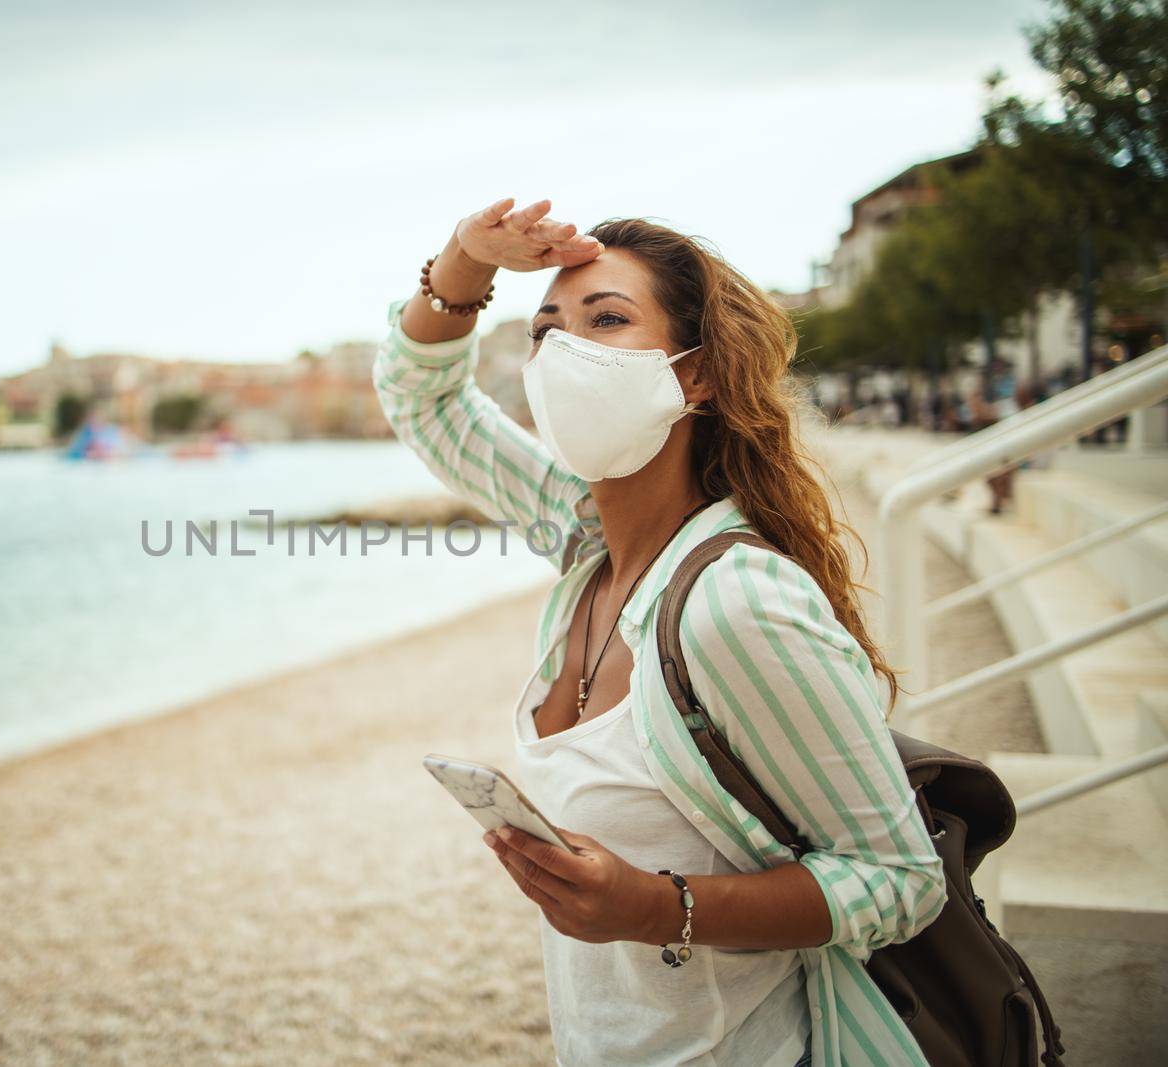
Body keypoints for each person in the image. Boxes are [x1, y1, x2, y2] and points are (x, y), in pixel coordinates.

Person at [373, 199, 947, 1067]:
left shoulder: (737, 603)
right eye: (546, 330)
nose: (565, 352)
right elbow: (427, 401)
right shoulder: (588, 543)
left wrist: (653, 908)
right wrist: (465, 259)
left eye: (607, 319)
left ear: (696, 376)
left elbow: (902, 880)